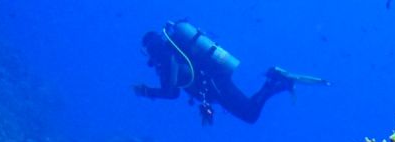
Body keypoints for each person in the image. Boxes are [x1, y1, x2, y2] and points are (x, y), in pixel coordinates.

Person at [134, 20, 320, 125]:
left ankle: (275, 79)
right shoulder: (171, 50)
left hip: (213, 84)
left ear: (149, 48)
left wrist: (145, 91)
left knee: (250, 114)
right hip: (214, 82)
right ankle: (278, 82)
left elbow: (171, 92)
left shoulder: (165, 57)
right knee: (250, 112)